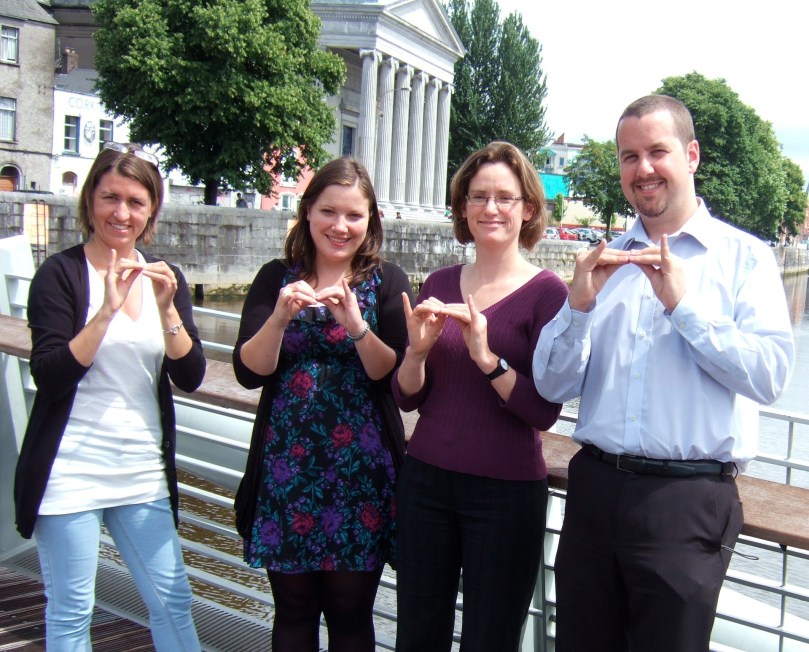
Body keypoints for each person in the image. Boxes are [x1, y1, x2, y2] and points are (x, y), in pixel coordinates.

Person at [533, 95, 795, 652]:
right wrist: (577, 307)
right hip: (595, 490)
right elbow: (552, 387)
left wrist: (685, 309)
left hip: (687, 501)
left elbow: (770, 376)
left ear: (692, 155)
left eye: (657, 152)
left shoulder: (745, 259)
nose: (642, 169)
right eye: (629, 156)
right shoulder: (604, 264)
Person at [14, 142, 206, 651]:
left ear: (151, 211)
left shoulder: (165, 277)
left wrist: (168, 312)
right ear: (90, 202)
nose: (122, 213)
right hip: (71, 469)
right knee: (74, 609)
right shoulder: (59, 274)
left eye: (136, 202)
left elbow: (190, 375)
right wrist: (105, 310)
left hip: (140, 469)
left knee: (172, 599)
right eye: (110, 198)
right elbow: (51, 375)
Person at [393, 141, 569, 651]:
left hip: (506, 493)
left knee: (490, 640)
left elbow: (544, 410)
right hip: (425, 482)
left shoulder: (548, 293)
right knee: (417, 636)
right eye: (478, 196)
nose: (490, 208)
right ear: (463, 207)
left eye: (505, 198)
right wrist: (417, 354)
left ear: (528, 209)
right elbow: (407, 399)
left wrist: (488, 359)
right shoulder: (442, 282)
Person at [233, 157, 412, 651]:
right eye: (328, 212)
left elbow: (391, 376)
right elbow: (250, 371)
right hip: (287, 474)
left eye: (354, 215)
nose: (340, 226)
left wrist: (356, 325)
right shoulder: (276, 278)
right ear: (307, 212)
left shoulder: (388, 281)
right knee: (292, 611)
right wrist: (279, 319)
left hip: (361, 476)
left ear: (370, 220)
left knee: (351, 615)